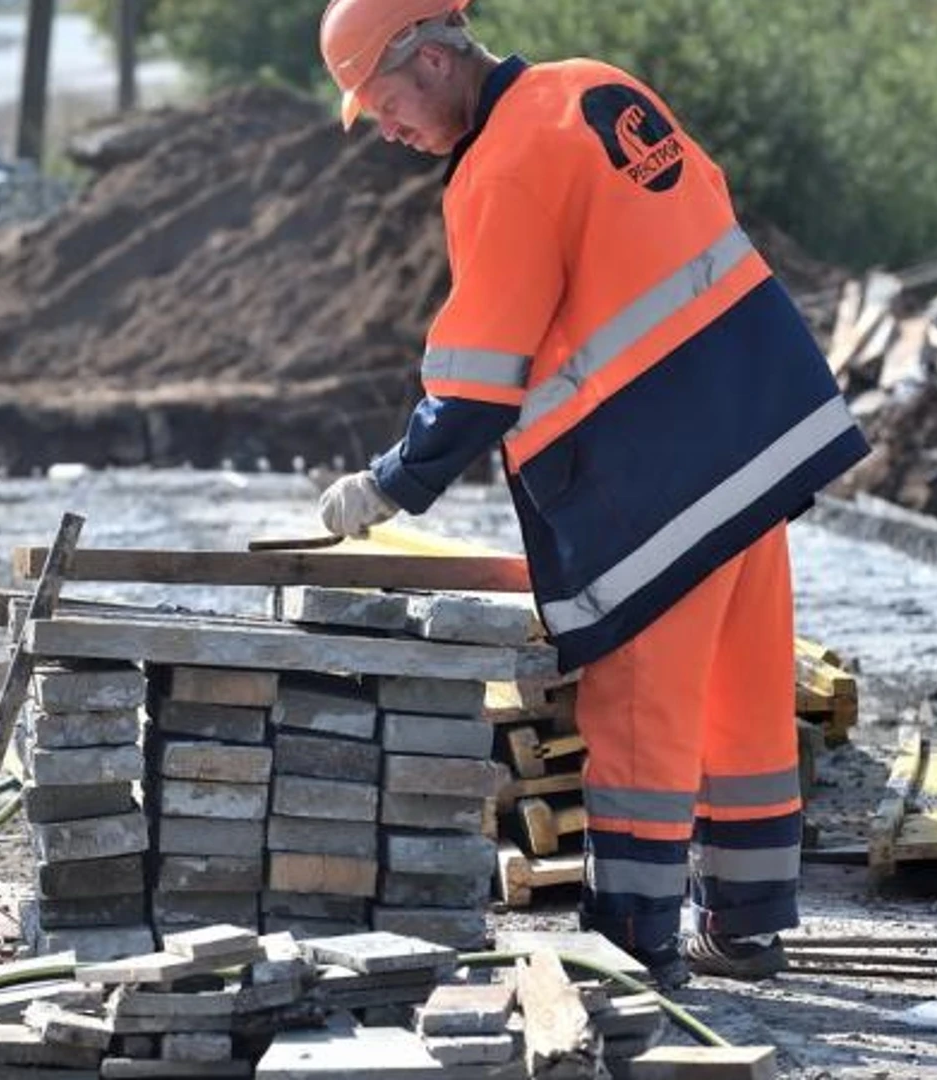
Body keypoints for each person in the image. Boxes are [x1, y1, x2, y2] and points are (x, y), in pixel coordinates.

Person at [315, 0, 870, 988]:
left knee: (636, 706)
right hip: (754, 437)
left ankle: (635, 939)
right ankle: (744, 927)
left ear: (434, 61)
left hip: (659, 479)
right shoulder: (600, 89)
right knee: (743, 690)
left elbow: (483, 373)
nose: (389, 131)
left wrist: (390, 482)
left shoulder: (503, 164)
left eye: (385, 103)